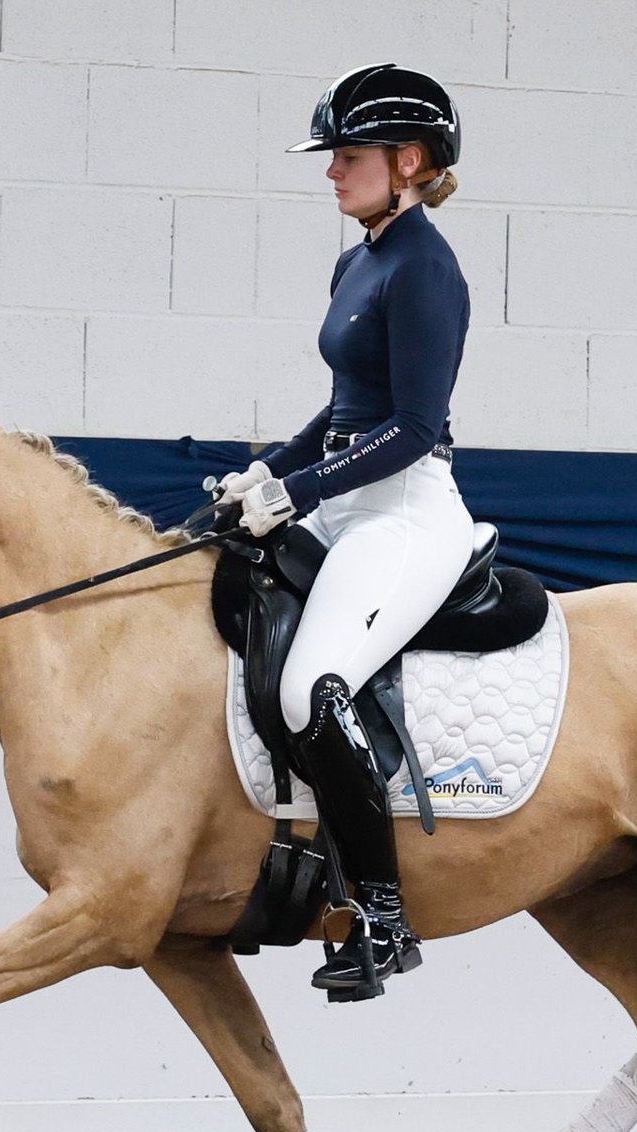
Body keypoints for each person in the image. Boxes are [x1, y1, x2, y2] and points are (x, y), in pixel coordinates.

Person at [215, 62, 474, 996]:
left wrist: (298, 490)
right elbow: (343, 409)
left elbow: (410, 426)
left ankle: (383, 915)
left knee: (312, 689)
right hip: (345, 497)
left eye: (348, 156)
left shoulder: (427, 269)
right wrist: (270, 473)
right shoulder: (356, 259)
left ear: (409, 161)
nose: (331, 171)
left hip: (404, 512)